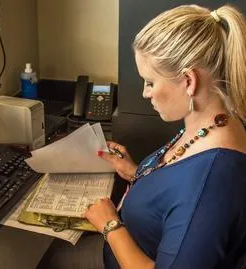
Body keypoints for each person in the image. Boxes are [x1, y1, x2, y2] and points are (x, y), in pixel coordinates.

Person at [84, 4, 246, 269]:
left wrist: (110, 225)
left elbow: (193, 195)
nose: (145, 93)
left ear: (188, 81)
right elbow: (178, 193)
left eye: (150, 82)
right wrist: (136, 171)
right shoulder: (218, 123)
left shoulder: (212, 181)